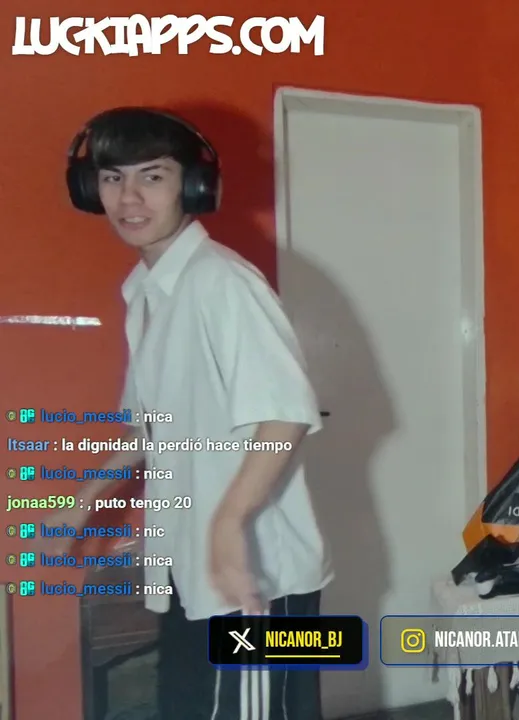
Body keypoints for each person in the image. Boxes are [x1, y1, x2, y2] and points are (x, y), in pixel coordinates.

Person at [41, 107, 331, 719]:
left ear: (193, 185)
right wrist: (87, 498)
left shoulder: (222, 283)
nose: (129, 198)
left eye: (153, 176)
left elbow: (286, 416)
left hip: (252, 578)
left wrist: (227, 524)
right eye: (112, 178)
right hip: (190, 564)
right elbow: (149, 426)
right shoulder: (146, 293)